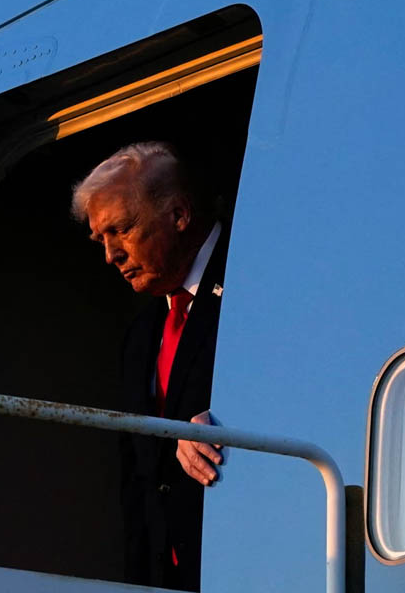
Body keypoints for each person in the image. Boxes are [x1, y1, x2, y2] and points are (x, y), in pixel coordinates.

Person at [70, 142, 227, 591]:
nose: (109, 255)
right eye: (100, 239)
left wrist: (239, 420)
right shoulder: (141, 336)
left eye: (120, 230)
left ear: (178, 215)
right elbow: (138, 487)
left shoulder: (258, 278)